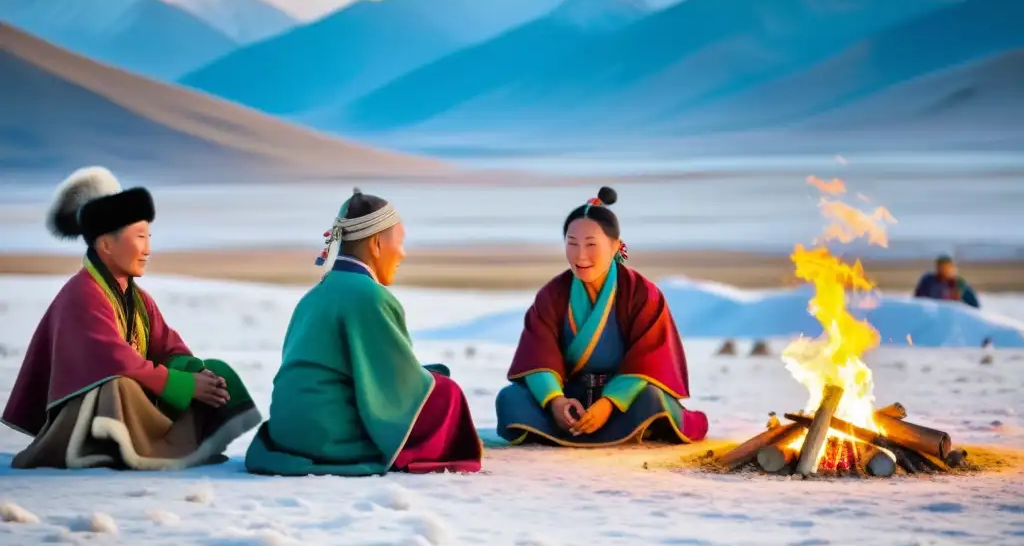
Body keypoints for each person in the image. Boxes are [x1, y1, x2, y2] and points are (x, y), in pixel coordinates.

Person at [2, 167, 260, 470]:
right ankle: (132, 448)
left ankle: (175, 443)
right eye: (139, 237)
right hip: (85, 414)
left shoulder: (137, 298)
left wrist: (196, 374)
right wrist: (183, 385)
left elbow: (167, 346)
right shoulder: (83, 293)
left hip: (140, 388)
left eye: (149, 237)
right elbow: (116, 360)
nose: (148, 249)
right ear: (106, 245)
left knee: (215, 372)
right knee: (119, 386)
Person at [245, 188, 483, 476]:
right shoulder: (371, 297)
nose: (403, 254)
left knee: (432, 379)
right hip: (329, 438)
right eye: (400, 242)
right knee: (446, 393)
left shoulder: (313, 295)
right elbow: (397, 386)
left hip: (288, 434)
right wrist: (432, 381)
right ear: (376, 244)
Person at [495, 187, 709, 447]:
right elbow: (538, 353)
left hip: (623, 399)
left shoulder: (641, 293)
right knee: (510, 398)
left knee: (652, 398)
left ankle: (624, 424)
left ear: (615, 246)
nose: (581, 256)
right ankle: (573, 422)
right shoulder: (552, 295)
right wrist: (555, 401)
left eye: (591, 245)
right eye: (572, 244)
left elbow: (648, 358)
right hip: (570, 394)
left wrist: (608, 404)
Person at [913, 255, 980, 308]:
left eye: (946, 267)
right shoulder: (928, 281)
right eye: (940, 267)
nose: (943, 270)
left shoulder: (959, 283)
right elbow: (918, 301)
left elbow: (974, 306)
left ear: (952, 268)